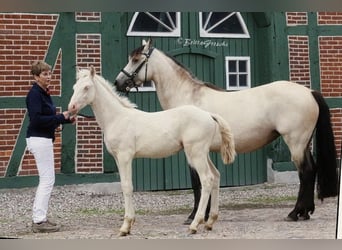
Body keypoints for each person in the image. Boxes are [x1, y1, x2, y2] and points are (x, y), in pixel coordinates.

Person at [25, 61, 76, 233]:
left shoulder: (43, 94)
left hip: (43, 138)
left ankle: (40, 218)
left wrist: (66, 119)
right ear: (36, 76)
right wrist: (61, 117)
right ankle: (39, 221)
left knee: (47, 180)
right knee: (47, 180)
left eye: (50, 73)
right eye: (45, 74)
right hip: (39, 139)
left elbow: (49, 119)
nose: (49, 76)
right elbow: (37, 120)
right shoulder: (34, 94)